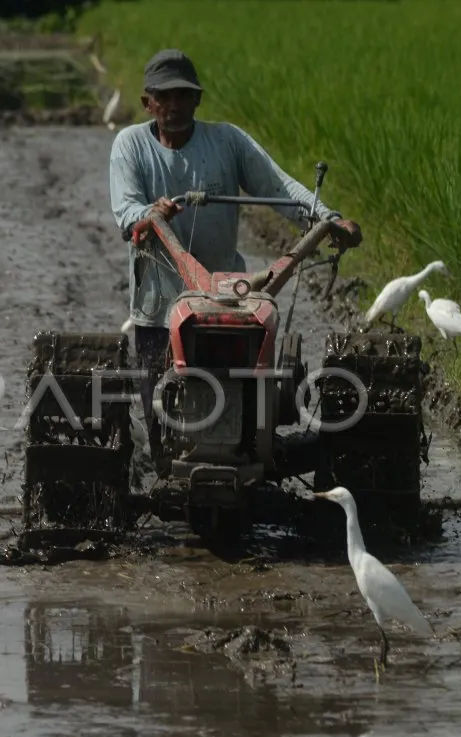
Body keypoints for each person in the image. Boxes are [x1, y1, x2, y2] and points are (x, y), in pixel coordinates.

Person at [108, 48, 363, 463]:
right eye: (163, 96)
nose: (173, 105)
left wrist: (329, 220)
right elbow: (126, 210)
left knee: (247, 414)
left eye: (182, 95)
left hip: (230, 302)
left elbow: (280, 188)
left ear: (198, 100)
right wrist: (150, 215)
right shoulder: (131, 145)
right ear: (147, 102)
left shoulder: (227, 140)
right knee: (161, 427)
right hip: (159, 309)